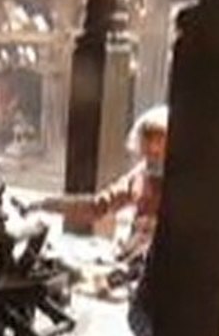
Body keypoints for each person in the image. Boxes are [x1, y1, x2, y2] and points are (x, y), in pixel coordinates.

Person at [22, 105, 169, 265]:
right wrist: (45, 204)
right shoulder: (140, 174)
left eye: (157, 154)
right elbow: (97, 206)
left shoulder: (187, 184)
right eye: (146, 153)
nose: (151, 161)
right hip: (135, 261)